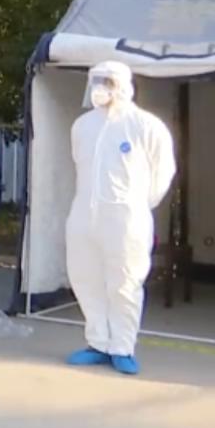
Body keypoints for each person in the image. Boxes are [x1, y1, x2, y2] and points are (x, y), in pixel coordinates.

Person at [65, 62, 175, 375]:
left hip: (126, 218)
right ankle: (98, 341)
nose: (100, 87)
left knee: (125, 282)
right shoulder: (82, 126)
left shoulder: (146, 125)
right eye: (96, 81)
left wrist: (137, 205)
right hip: (84, 213)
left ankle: (122, 347)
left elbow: (163, 172)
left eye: (107, 81)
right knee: (85, 277)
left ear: (124, 85)